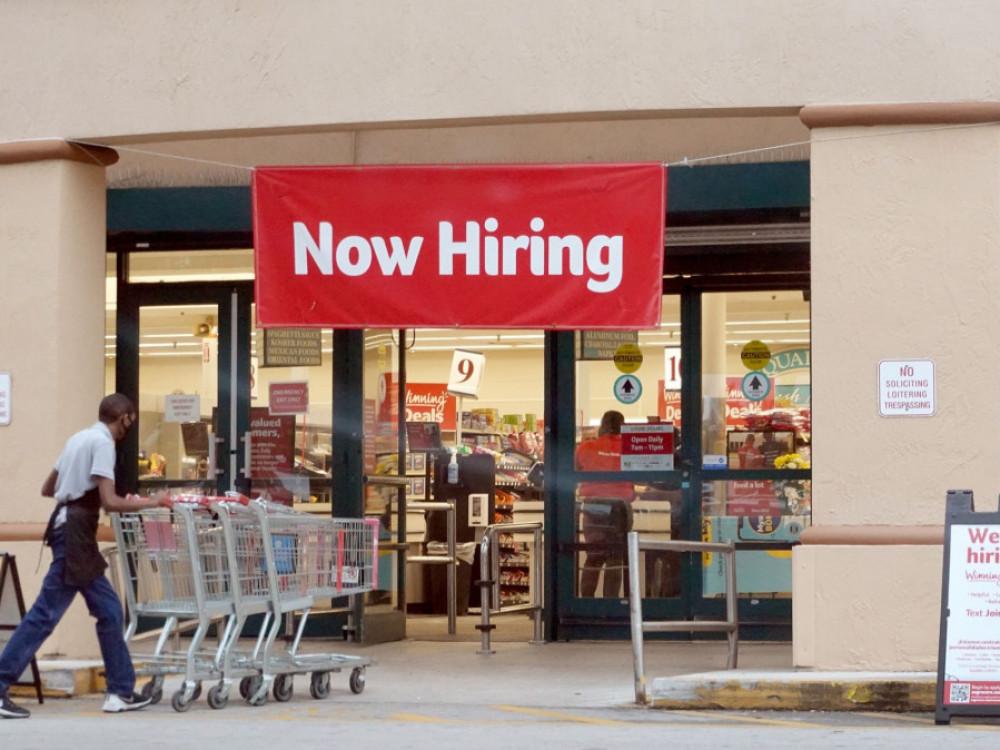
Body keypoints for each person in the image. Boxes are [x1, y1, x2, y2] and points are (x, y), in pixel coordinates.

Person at [0, 394, 170, 719]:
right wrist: (153, 502)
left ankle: (119, 692)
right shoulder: (103, 443)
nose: (128, 430)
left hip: (66, 526)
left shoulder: (78, 438)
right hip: (77, 534)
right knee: (44, 615)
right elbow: (110, 502)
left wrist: (74, 487)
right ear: (124, 418)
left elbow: (48, 488)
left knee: (107, 611)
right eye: (130, 423)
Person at [575, 410, 633, 598]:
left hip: (593, 506)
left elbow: (575, 471)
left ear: (602, 425)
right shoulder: (629, 447)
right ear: (622, 427)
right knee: (615, 558)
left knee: (593, 556)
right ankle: (611, 604)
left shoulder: (585, 447)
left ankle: (586, 602)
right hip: (619, 507)